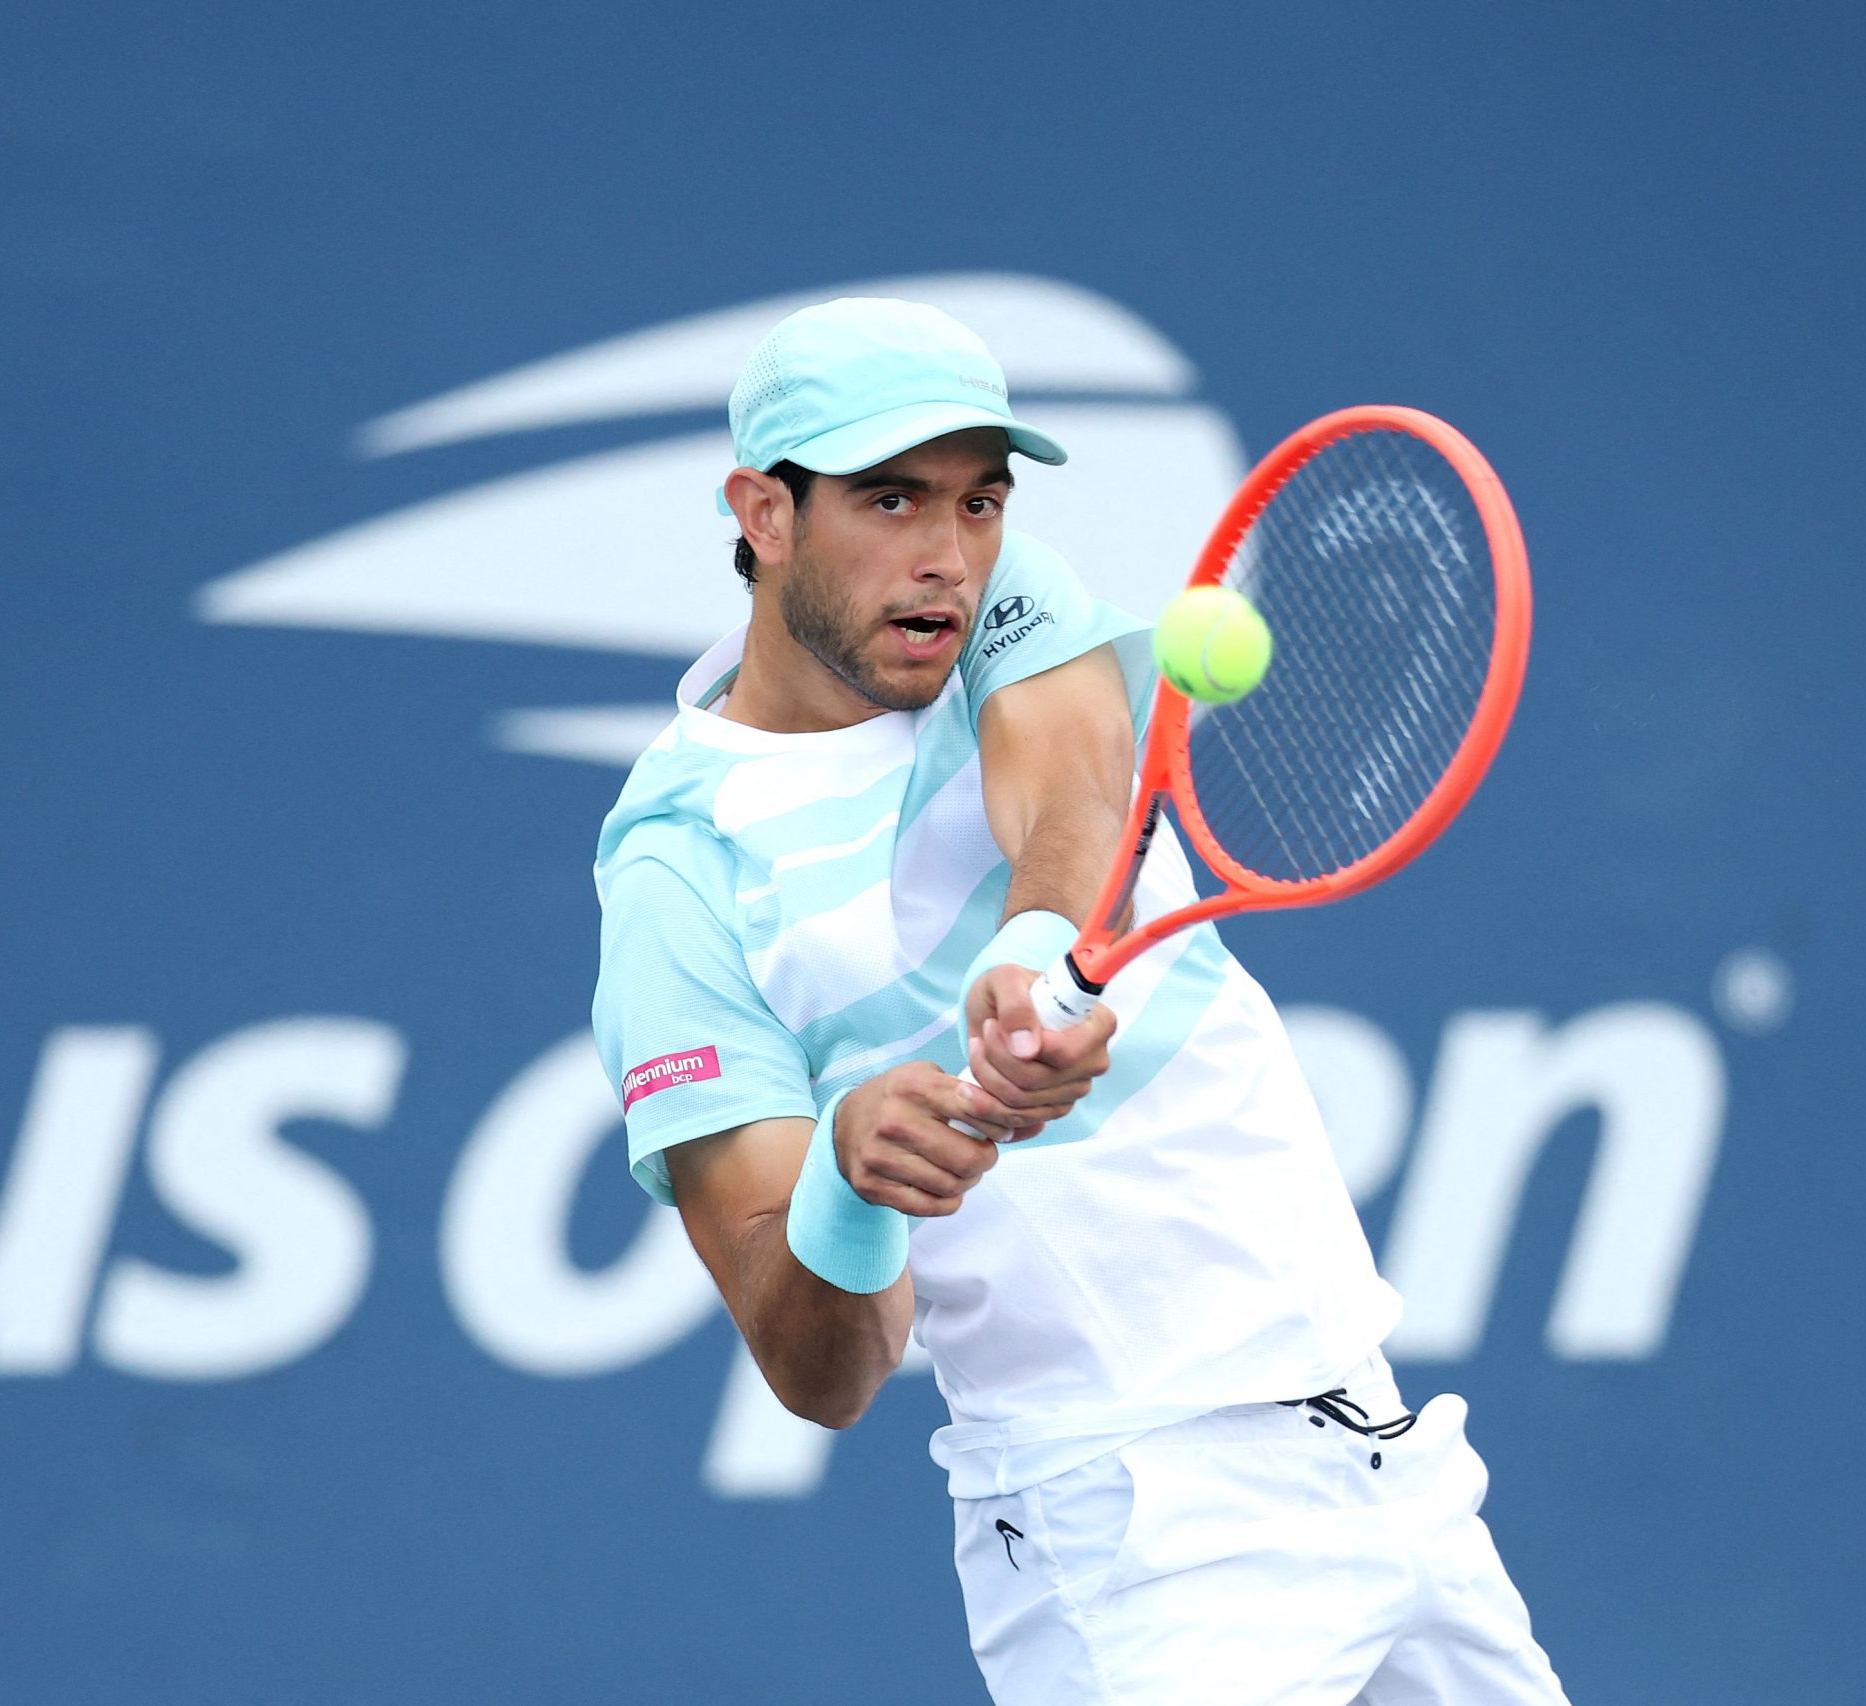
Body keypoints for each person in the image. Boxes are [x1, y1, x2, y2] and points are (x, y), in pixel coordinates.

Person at [591, 296, 1569, 1704]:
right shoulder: (679, 876)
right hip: (1135, 1539)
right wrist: (856, 1177)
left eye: (979, 498)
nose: (946, 550)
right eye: (888, 498)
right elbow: (821, 1367)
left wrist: (1035, 944)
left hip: (1386, 1457)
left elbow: (1071, 788)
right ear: (764, 512)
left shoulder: (1006, 598)